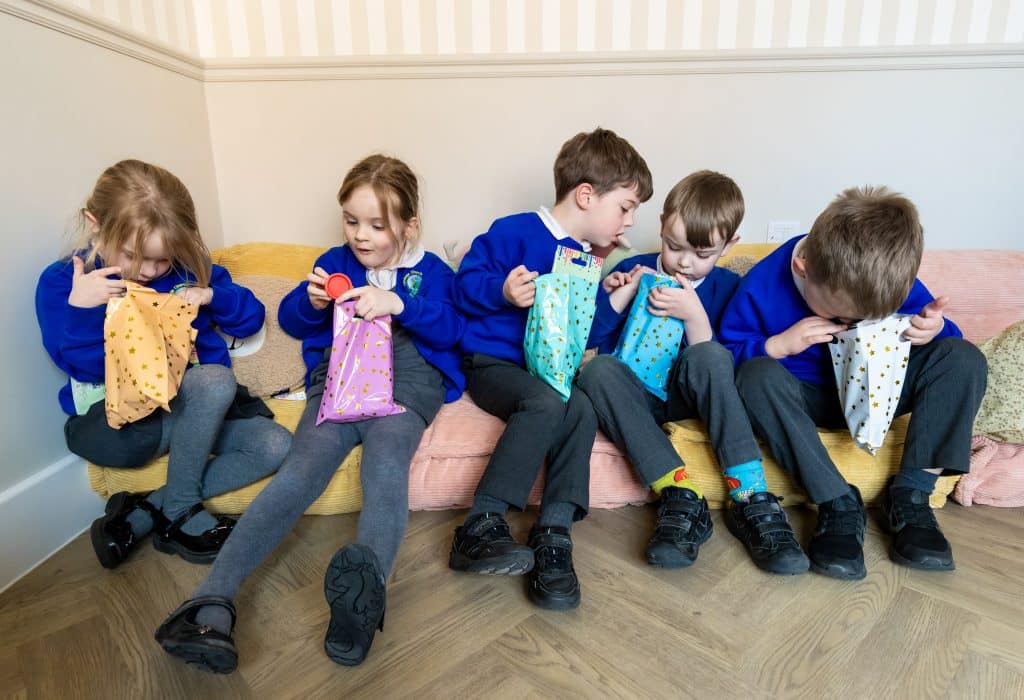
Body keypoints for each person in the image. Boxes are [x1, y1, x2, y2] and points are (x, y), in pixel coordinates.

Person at [155, 154, 465, 672]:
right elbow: (293, 321)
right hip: (338, 382)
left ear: (410, 226)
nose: (361, 235)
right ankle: (212, 602)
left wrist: (400, 306)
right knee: (298, 472)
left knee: (386, 468)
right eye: (351, 220)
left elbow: (455, 330)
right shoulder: (336, 260)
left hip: (407, 384)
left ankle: (362, 600)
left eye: (377, 224)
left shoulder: (428, 272)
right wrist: (313, 301)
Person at [719, 186, 987, 579]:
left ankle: (911, 496)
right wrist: (775, 345)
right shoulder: (763, 283)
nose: (852, 327)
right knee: (755, 375)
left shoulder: (880, 277)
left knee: (963, 357)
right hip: (807, 399)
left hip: (879, 393)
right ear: (803, 265)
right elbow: (724, 353)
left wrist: (936, 329)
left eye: (865, 318)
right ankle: (836, 500)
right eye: (841, 318)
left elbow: (941, 344)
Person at [36, 159, 291, 569]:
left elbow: (251, 318)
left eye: (164, 258)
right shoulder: (67, 283)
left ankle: (148, 511)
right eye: (138, 256)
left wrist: (212, 296)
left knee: (276, 444)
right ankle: (182, 512)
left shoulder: (189, 272)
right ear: (96, 224)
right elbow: (82, 367)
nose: (152, 270)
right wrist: (82, 309)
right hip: (117, 425)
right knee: (212, 382)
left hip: (195, 412)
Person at [448, 127, 653, 610]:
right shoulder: (513, 230)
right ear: (586, 195)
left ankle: (554, 535)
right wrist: (501, 291)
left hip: (549, 372)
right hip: (494, 363)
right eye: (625, 207)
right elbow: (463, 286)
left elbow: (584, 337)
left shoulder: (585, 261)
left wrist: (614, 297)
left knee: (579, 407)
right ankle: (481, 524)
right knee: (544, 402)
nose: (628, 223)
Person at [577, 170, 809, 575]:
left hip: (691, 395)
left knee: (711, 356)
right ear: (663, 222)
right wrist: (620, 295)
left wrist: (695, 319)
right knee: (597, 371)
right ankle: (679, 492)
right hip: (637, 398)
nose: (684, 261)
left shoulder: (726, 287)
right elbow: (588, 338)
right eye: (673, 246)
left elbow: (730, 367)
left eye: (702, 254)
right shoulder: (633, 267)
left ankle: (751, 494)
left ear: (728, 244)